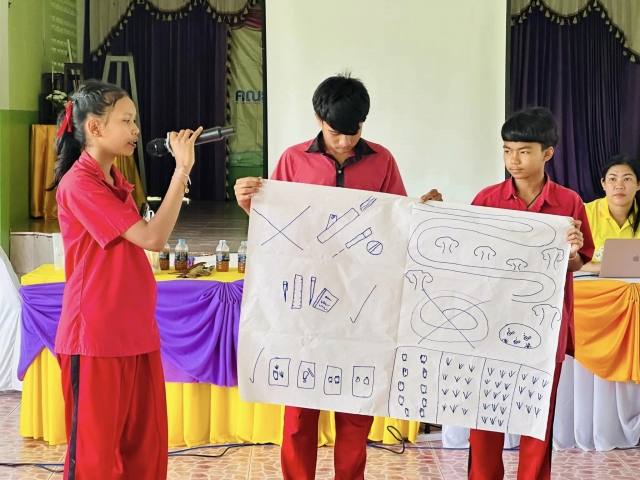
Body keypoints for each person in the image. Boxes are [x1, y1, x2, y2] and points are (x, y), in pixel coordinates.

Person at [235, 73, 442, 480]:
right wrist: (249, 205)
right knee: (298, 415)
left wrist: (423, 211)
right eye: (336, 132)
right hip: (304, 305)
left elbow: (396, 227)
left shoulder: (383, 160)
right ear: (318, 119)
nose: (345, 141)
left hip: (362, 305)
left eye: (354, 131)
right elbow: (277, 226)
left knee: (355, 414)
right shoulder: (293, 160)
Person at [51, 79, 202, 480]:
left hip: (136, 332)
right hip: (95, 338)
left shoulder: (116, 181)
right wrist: (181, 170)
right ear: (95, 128)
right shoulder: (80, 183)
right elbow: (153, 238)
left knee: (145, 454)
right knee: (95, 460)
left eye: (135, 120)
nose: (136, 129)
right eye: (127, 120)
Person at [465, 107, 594, 479]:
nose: (514, 160)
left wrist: (573, 251)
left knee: (537, 417)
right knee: (484, 415)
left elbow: (577, 264)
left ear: (547, 153)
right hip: (489, 326)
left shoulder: (569, 202)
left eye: (523, 151)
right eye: (507, 150)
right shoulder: (486, 199)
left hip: (544, 328)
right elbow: (468, 257)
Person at [580, 155, 640, 274]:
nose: (619, 186)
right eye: (613, 179)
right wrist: (604, 268)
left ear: (638, 184)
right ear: (603, 184)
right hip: (591, 279)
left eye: (627, 179)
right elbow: (568, 258)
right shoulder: (584, 213)